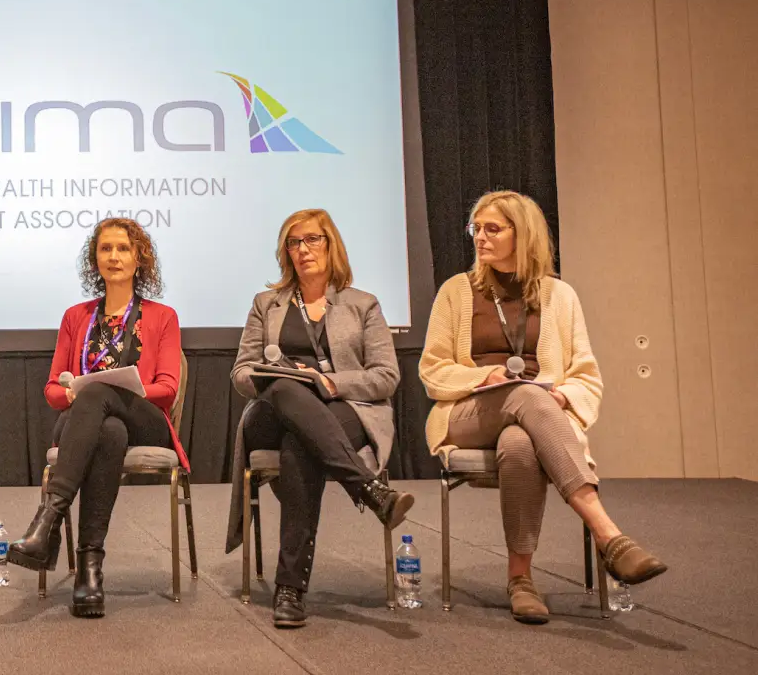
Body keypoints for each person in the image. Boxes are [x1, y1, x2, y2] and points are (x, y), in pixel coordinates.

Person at [420, 190, 667, 624]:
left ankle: (521, 580)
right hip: (468, 415)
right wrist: (485, 377)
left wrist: (562, 395)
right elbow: (433, 370)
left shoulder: (560, 296)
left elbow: (586, 375)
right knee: (525, 394)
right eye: (475, 228)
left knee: (519, 444)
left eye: (492, 229)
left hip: (534, 416)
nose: (479, 237)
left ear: (524, 234)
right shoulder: (456, 292)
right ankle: (608, 534)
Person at [225, 208, 414, 628]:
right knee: (286, 386)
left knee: (299, 449)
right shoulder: (266, 304)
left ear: (331, 245)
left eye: (312, 240)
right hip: (270, 412)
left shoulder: (363, 304)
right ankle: (366, 487)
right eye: (294, 243)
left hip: (341, 410)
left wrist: (328, 382)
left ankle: (289, 588)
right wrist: (275, 379)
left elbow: (386, 377)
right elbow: (241, 371)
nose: (302, 250)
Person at [5, 218, 188, 618]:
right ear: (95, 259)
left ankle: (48, 520)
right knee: (107, 430)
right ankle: (90, 569)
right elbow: (53, 390)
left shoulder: (162, 316)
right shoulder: (76, 317)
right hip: (90, 423)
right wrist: (73, 392)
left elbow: (168, 389)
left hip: (147, 420)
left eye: (123, 248)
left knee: (103, 397)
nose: (114, 256)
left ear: (139, 258)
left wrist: (116, 389)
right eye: (105, 249)